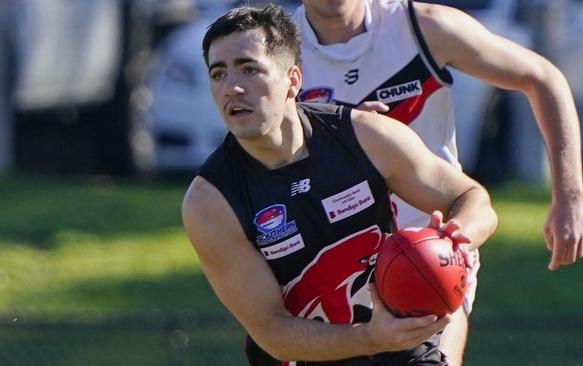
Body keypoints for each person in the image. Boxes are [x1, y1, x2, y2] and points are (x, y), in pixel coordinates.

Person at [182, 4, 497, 365]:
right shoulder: (211, 201)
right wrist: (369, 338)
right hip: (308, 355)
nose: (232, 88)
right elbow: (272, 331)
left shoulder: (363, 134)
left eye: (249, 69)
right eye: (218, 74)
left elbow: (472, 197)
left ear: (293, 80)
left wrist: (453, 239)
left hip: (401, 346)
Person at [292, 0, 583, 364]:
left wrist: (570, 197)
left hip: (428, 251)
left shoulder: (422, 27)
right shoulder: (273, 51)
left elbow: (542, 77)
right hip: (325, 260)